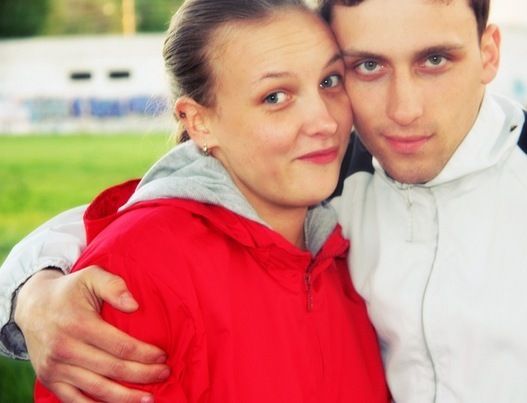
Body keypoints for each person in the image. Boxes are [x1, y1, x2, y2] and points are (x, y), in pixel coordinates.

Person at [2, 0, 527, 401]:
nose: (403, 110)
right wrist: (32, 292)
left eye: (435, 60)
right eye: (367, 66)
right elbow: (140, 219)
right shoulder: (328, 179)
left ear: (489, 51)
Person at [5, 0, 393, 401]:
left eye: (330, 81)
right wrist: (30, 292)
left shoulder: (347, 247)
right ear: (199, 122)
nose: (326, 122)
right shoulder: (135, 275)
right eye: (275, 97)